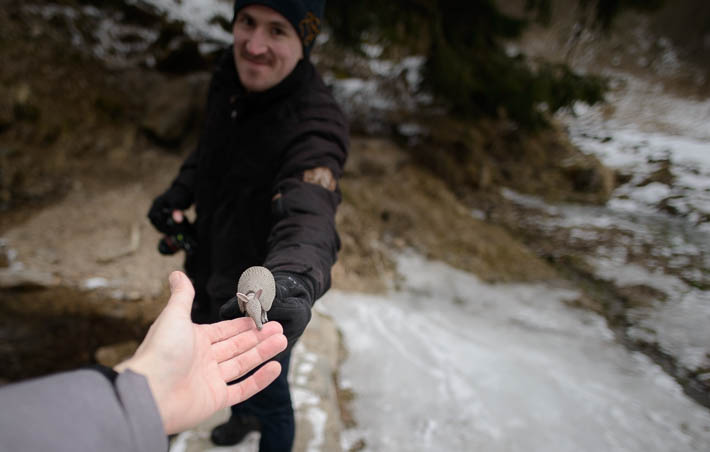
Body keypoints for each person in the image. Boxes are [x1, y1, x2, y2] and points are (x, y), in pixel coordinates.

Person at [147, 0, 348, 450]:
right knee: (230, 375)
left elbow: (309, 211)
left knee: (270, 395)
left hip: (261, 300)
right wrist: (179, 194)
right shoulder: (229, 76)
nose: (254, 46)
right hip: (208, 265)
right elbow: (208, 150)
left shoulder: (315, 122)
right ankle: (241, 420)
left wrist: (292, 280)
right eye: (247, 23)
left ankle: (261, 424)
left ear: (305, 42)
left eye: (278, 31)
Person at [0, 271, 288, 452]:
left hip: (257, 295)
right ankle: (241, 420)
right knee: (237, 380)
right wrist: (144, 397)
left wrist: (292, 285)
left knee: (268, 389)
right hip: (213, 282)